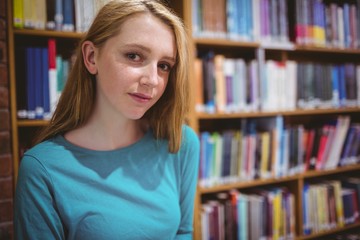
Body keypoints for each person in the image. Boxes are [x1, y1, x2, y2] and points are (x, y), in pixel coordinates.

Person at [14, 0, 200, 239]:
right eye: (134, 56)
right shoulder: (42, 169)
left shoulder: (180, 143)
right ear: (92, 57)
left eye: (164, 65)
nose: (153, 80)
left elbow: (183, 231)